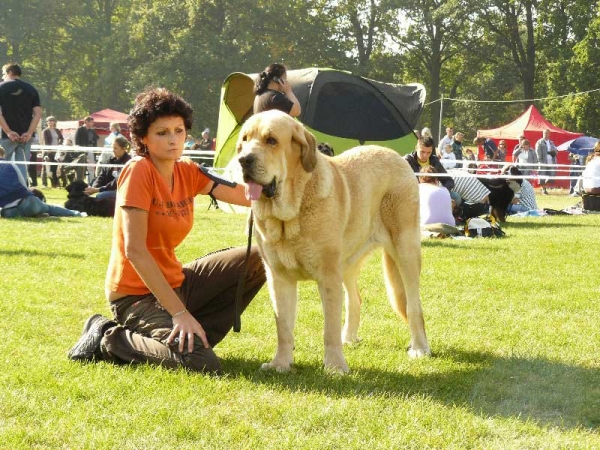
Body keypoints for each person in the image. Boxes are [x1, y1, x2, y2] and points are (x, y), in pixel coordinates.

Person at [67, 87, 266, 374]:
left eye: (179, 130)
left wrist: (276, 176)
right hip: (134, 296)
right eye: (162, 133)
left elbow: (247, 195)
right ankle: (109, 336)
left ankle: (193, 337)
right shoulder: (138, 172)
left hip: (176, 281)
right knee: (200, 364)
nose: (173, 140)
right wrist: (179, 312)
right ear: (143, 138)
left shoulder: (187, 170)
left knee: (259, 258)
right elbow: (135, 251)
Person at [0, 145, 84, 218]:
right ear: (3, 155)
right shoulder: (11, 165)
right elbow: (24, 185)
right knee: (50, 208)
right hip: (27, 202)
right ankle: (76, 214)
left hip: (9, 211)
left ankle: (38, 215)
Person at [0, 62, 43, 185]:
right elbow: (38, 114)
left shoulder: (1, 87)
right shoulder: (31, 89)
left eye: (3, 74)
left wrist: (8, 131)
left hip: (5, 136)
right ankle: (23, 194)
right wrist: (29, 133)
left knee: (1, 165)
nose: (2, 77)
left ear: (10, 73)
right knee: (22, 168)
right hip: (25, 136)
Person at [405, 135, 459, 206]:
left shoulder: (434, 160)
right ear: (416, 148)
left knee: (456, 196)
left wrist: (440, 192)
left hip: (433, 195)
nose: (425, 155)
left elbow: (449, 180)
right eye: (422, 152)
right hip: (414, 196)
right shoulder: (407, 161)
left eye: (429, 152)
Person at [84, 136, 132, 200]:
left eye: (115, 148)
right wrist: (93, 188)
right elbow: (101, 176)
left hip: (121, 191)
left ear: (123, 149)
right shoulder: (110, 160)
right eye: (112, 148)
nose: (113, 150)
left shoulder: (128, 162)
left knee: (100, 196)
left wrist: (97, 190)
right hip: (107, 189)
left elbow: (116, 182)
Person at [74, 116, 99, 182]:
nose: (92, 123)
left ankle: (91, 182)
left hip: (91, 151)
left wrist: (95, 151)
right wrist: (80, 151)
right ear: (86, 122)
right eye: (91, 122)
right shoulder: (80, 129)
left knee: (91, 168)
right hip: (82, 152)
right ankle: (79, 182)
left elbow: (95, 140)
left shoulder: (92, 131)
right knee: (81, 168)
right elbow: (77, 141)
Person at [41, 116, 63, 188]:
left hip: (56, 152)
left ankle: (55, 184)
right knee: (46, 168)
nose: (50, 122)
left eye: (51, 121)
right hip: (48, 151)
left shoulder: (57, 130)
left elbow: (61, 138)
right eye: (48, 121)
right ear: (47, 122)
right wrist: (49, 149)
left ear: (54, 122)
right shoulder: (45, 131)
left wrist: (59, 145)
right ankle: (44, 184)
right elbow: (46, 141)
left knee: (54, 168)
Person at [535, 129, 558, 194]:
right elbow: (538, 152)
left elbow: (555, 150)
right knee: (542, 175)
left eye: (547, 133)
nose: (546, 134)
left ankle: (544, 185)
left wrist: (555, 152)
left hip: (551, 161)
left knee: (552, 176)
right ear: (543, 134)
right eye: (545, 133)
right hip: (543, 161)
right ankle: (544, 190)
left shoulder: (551, 142)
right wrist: (540, 161)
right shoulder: (539, 142)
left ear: (549, 134)